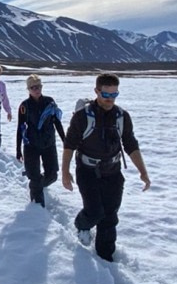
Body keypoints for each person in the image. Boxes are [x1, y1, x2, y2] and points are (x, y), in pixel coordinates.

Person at [61, 73, 151, 262]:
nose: (110, 99)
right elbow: (69, 145)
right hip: (87, 171)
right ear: (96, 91)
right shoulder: (82, 117)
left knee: (110, 215)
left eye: (114, 95)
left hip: (113, 171)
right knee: (95, 211)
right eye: (106, 95)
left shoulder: (122, 116)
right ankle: (82, 224)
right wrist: (65, 172)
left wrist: (143, 171)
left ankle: (105, 256)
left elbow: (131, 144)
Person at [15, 75, 66, 206]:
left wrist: (65, 141)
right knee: (34, 176)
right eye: (33, 87)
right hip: (31, 145)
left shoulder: (49, 102)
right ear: (28, 89)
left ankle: (36, 185)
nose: (37, 90)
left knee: (52, 175)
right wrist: (18, 150)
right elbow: (20, 128)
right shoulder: (24, 106)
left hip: (48, 143)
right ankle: (37, 208)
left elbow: (57, 122)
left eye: (39, 87)